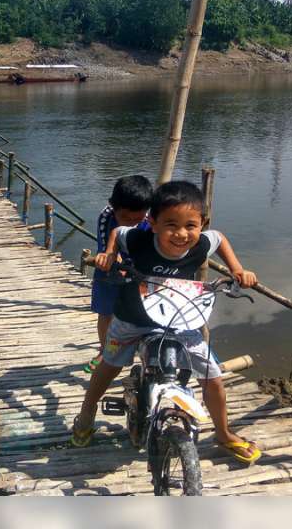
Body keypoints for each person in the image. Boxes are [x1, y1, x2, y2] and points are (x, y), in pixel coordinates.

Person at [72, 180, 262, 465]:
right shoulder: (138, 240)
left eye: (191, 225)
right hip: (132, 316)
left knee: (212, 375)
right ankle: (85, 416)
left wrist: (237, 270)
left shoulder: (201, 244)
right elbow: (118, 231)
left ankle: (223, 433)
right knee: (109, 363)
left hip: (180, 317)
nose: (181, 234)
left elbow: (219, 238)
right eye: (171, 224)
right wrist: (110, 254)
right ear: (153, 222)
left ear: (202, 223)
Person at [85, 175, 153, 374]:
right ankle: (105, 351)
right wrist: (110, 259)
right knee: (106, 313)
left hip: (138, 270)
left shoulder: (151, 219)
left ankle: (141, 351)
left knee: (142, 313)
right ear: (113, 207)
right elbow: (108, 246)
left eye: (136, 218)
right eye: (125, 218)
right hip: (110, 267)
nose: (131, 223)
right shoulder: (107, 216)